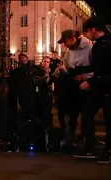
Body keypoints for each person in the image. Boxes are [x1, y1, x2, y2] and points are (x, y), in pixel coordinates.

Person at [57, 29, 93, 154]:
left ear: (73, 39)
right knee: (71, 113)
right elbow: (67, 64)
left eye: (66, 42)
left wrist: (84, 77)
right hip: (72, 85)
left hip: (86, 85)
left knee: (87, 114)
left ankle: (87, 143)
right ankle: (70, 139)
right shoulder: (69, 52)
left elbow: (95, 67)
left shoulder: (88, 48)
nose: (65, 45)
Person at [81, 16, 111, 163]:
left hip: (106, 87)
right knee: (87, 112)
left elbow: (106, 70)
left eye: (87, 31)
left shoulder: (107, 44)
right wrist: (78, 71)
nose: (86, 35)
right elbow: (96, 67)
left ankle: (108, 151)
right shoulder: (99, 44)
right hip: (99, 86)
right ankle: (90, 147)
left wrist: (90, 81)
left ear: (93, 29)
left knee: (109, 119)